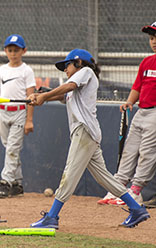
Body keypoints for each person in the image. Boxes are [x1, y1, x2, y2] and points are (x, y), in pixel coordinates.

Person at [28, 49, 150, 229]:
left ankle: (52, 217)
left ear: (78, 63)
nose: (65, 70)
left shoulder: (85, 72)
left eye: (67, 65)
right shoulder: (77, 84)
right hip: (87, 133)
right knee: (105, 178)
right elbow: (63, 95)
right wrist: (42, 96)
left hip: (84, 131)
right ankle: (136, 209)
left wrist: (44, 96)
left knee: (69, 174)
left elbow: (68, 87)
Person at [98, 21, 156, 207]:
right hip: (141, 111)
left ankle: (136, 191)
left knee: (147, 153)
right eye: (151, 38)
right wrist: (130, 101)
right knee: (129, 151)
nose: (153, 41)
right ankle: (118, 187)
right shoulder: (146, 62)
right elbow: (137, 86)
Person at [0, 34, 36, 198]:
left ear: (24, 51)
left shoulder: (26, 70)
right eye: (10, 50)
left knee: (13, 149)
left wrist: (29, 120)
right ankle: (17, 183)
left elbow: (31, 96)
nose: (13, 53)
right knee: (10, 148)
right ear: (5, 51)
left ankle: (5, 182)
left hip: (20, 111)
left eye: (16, 50)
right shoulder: (1, 70)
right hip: (3, 112)